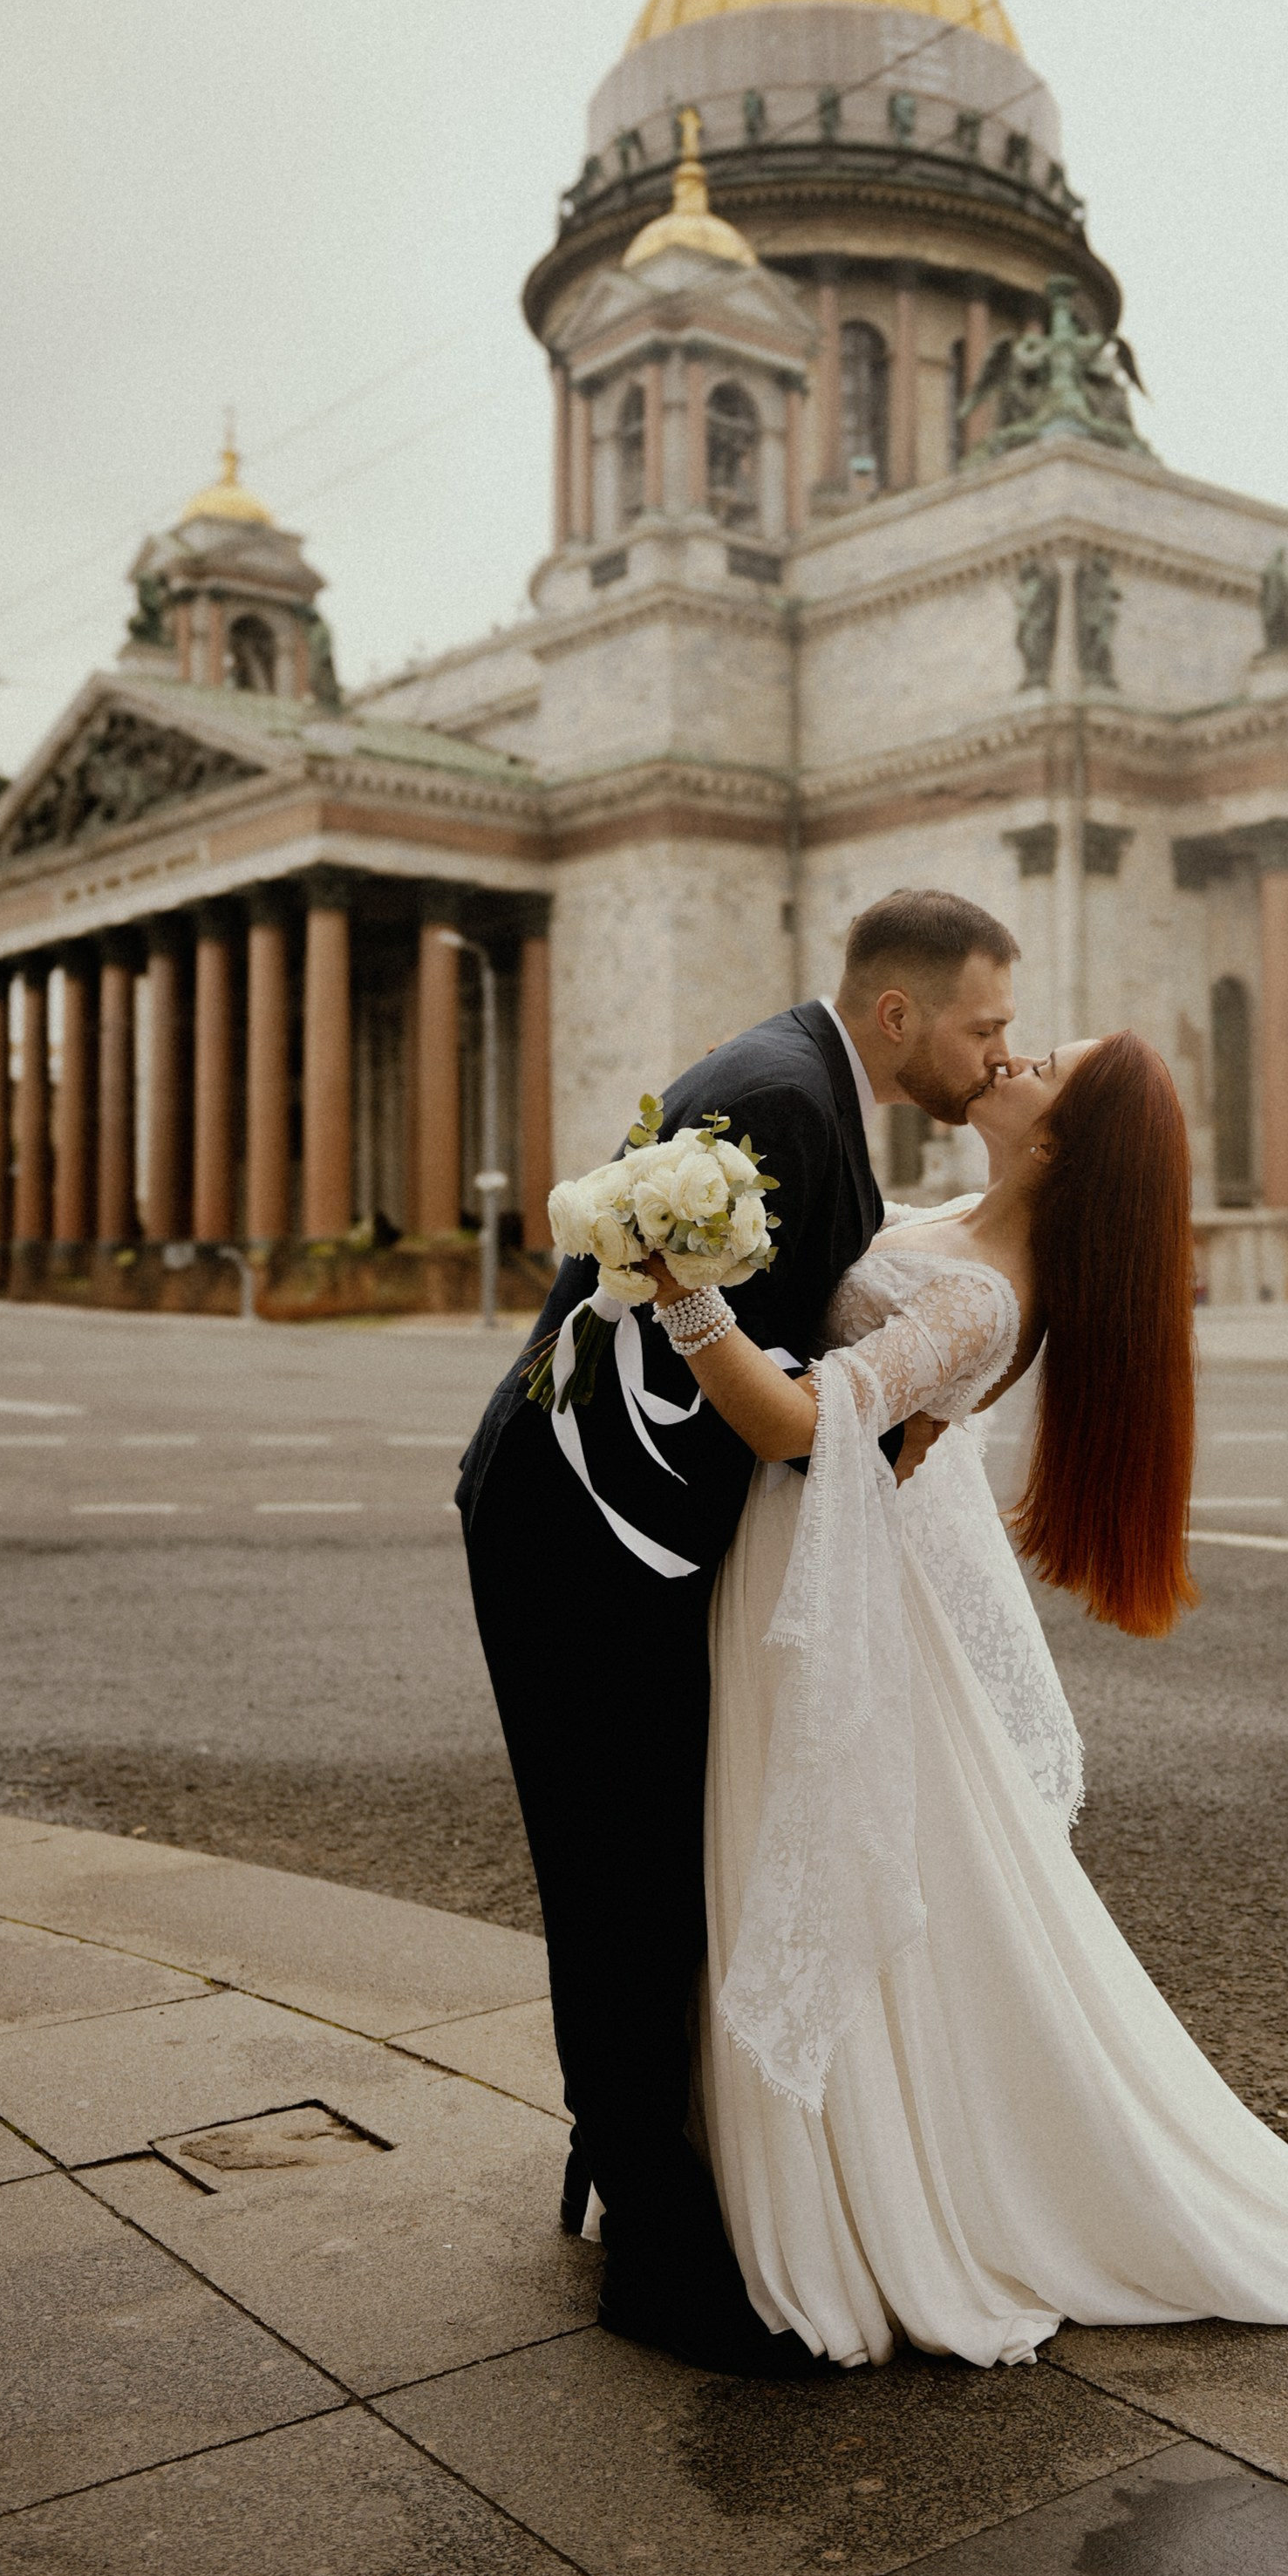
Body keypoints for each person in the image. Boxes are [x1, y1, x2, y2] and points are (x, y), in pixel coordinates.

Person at [643, 1031, 1288, 2367]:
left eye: (1045, 1059)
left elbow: (793, 1424)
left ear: (1065, 1139)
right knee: (812, 1862)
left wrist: (682, 1288)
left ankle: (868, 2196)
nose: (1011, 1054)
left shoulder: (990, 1296)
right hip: (815, 1563)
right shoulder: (964, 1224)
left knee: (818, 1861)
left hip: (821, 1573)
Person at [455, 891, 1019, 2377]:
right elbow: (689, 1348)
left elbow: (769, 1340)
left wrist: (872, 1413)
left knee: (645, 1873)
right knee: (623, 1882)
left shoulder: (804, 1090)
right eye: (984, 1025)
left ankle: (620, 2154)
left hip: (619, 1531)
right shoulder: (782, 1099)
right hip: (579, 1532)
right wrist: (857, 1425)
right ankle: (656, 2259)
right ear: (897, 1014)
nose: (995, 1052)